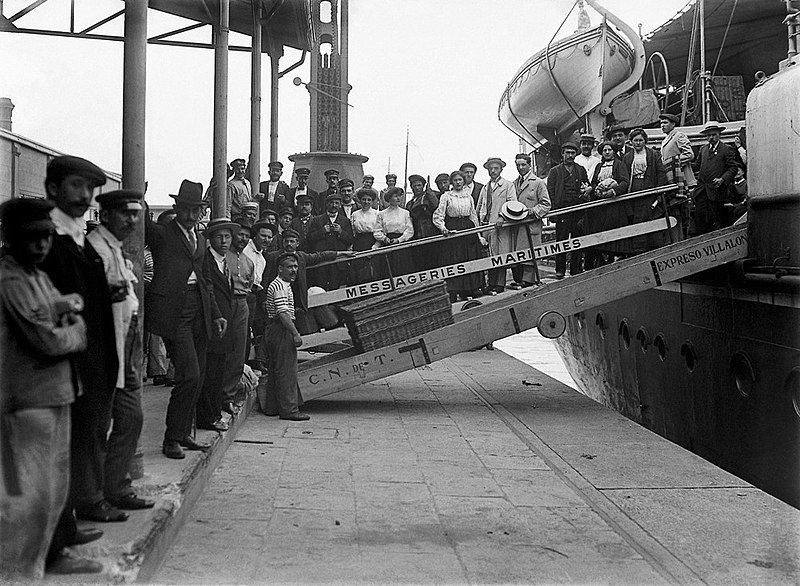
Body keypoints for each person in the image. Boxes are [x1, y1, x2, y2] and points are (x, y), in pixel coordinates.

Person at [39, 156, 124, 571]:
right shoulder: (46, 236)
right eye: (75, 185)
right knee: (56, 452)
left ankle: (66, 529)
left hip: (89, 356)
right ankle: (54, 550)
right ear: (53, 188)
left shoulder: (76, 236)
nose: (84, 195)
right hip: (60, 360)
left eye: (90, 188)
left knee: (77, 442)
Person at [0, 198, 90, 580]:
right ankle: (17, 574)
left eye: (46, 238)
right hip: (27, 400)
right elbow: (47, 342)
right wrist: (77, 329)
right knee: (26, 500)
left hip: (55, 393)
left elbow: (56, 310)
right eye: (32, 238)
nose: (41, 245)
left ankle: (44, 562)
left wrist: (62, 314)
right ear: (10, 238)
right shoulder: (11, 279)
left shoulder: (35, 274)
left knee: (53, 493)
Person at [144, 179, 227, 459]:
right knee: (189, 375)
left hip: (200, 312)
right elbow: (143, 226)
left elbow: (205, 279)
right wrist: (139, 198)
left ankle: (184, 434)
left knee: (199, 376)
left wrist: (215, 313)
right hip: (174, 313)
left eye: (198, 211)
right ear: (177, 208)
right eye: (188, 210)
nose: (193, 216)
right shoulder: (163, 234)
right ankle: (171, 439)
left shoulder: (200, 239)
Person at [86, 190, 154, 512]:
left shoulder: (118, 250)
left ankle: (116, 486)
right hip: (103, 349)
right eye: (125, 213)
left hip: (125, 344)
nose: (131, 220)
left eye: (135, 213)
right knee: (97, 427)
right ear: (106, 215)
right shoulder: (94, 249)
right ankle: (92, 498)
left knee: (131, 418)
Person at [197, 219, 253, 432]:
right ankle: (209, 415)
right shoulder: (207, 260)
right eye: (219, 236)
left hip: (228, 313)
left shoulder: (225, 261)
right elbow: (210, 291)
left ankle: (218, 407)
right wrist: (218, 315)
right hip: (214, 319)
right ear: (210, 238)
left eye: (227, 236)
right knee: (211, 368)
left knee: (225, 361)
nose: (223, 241)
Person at [263, 229, 351, 335]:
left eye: (292, 241)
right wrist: (264, 299)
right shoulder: (273, 257)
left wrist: (341, 253)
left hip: (298, 301)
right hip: (280, 298)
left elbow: (321, 256)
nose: (289, 244)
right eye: (286, 241)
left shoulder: (301, 257)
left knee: (307, 331)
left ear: (297, 243)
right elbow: (265, 279)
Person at [264, 252, 309, 421]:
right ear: (280, 269)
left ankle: (272, 407)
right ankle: (289, 410)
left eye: (296, 267)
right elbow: (282, 313)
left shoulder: (283, 284)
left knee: (277, 370)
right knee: (287, 371)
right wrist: (295, 333)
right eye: (289, 267)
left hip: (276, 329)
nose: (294, 270)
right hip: (281, 329)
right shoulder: (280, 286)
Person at [432, 170, 484, 301]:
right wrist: (443, 229)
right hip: (454, 229)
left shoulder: (468, 196)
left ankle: (470, 289)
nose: (458, 182)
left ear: (463, 181)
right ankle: (455, 290)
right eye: (455, 180)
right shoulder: (447, 196)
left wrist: (478, 235)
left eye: (460, 180)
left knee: (470, 257)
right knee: (455, 259)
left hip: (468, 228)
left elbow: (473, 216)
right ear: (451, 182)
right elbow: (438, 215)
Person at [546, 142, 592, 278]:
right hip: (562, 211)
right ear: (562, 154)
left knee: (577, 240)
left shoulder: (581, 169)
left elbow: (586, 185)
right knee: (561, 241)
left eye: (572, 153)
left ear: (575, 154)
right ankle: (560, 270)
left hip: (577, 210)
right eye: (567, 153)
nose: (570, 156)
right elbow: (550, 192)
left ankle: (575, 269)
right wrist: (554, 210)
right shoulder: (554, 171)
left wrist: (585, 193)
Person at [586, 140, 631, 269]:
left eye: (609, 150)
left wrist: (613, 191)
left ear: (614, 151)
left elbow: (624, 182)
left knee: (613, 230)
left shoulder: (619, 164)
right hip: (601, 206)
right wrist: (595, 190)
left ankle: (614, 258)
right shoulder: (599, 167)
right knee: (600, 229)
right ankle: (601, 259)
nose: (607, 152)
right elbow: (594, 182)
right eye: (604, 150)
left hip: (614, 205)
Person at [476, 157, 517, 293]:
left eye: (496, 168)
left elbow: (512, 203)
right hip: (486, 225)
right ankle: (490, 283)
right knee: (489, 255)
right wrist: (478, 221)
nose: (493, 171)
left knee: (501, 254)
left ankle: (499, 284)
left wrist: (501, 216)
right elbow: (480, 206)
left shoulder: (507, 185)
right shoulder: (485, 187)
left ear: (501, 169)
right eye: (491, 168)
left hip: (500, 225)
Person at [511, 153, 551, 288]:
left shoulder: (538, 182)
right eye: (518, 165)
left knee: (530, 253)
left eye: (523, 164)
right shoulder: (514, 183)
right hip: (516, 225)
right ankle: (519, 280)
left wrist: (533, 211)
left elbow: (546, 204)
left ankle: (529, 280)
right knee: (518, 253)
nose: (521, 167)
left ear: (529, 165)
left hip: (531, 224)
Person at [692, 121, 739, 233]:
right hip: (701, 190)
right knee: (701, 217)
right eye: (708, 135)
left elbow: (733, 168)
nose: (711, 137)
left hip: (717, 191)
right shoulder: (703, 149)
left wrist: (722, 179)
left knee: (716, 219)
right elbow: (697, 166)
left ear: (719, 134)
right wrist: (683, 162)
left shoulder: (726, 149)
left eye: (714, 134)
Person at [305, 192, 354, 290]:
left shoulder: (345, 221)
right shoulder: (317, 220)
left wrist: (341, 232)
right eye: (331, 203)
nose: (334, 205)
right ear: (326, 204)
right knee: (320, 286)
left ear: (340, 205)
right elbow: (309, 239)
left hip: (338, 262)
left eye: (336, 203)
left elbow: (350, 240)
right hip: (321, 260)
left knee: (335, 287)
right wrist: (322, 231)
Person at [374, 187, 415, 278]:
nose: (398, 198)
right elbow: (377, 231)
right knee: (388, 271)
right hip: (388, 243)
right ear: (389, 198)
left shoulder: (405, 213)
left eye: (400, 196)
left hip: (402, 245)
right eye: (395, 196)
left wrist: (399, 240)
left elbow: (410, 230)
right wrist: (385, 239)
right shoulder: (382, 214)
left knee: (403, 269)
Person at [405, 174, 440, 271]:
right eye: (414, 185)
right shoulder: (410, 203)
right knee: (420, 262)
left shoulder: (429, 196)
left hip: (429, 232)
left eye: (419, 185)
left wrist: (429, 192)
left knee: (432, 260)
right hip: (415, 234)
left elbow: (436, 206)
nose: (417, 188)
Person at [624, 128, 667, 193]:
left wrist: (659, 190)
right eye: (635, 140)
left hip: (650, 185)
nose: (638, 143)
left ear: (645, 141)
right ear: (631, 141)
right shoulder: (627, 157)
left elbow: (661, 173)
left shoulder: (654, 154)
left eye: (641, 140)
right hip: (633, 186)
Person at [350, 188, 380, 283]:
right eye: (364, 199)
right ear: (360, 200)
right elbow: (353, 231)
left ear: (372, 201)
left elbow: (380, 231)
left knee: (372, 271)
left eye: (369, 200)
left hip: (372, 242)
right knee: (358, 270)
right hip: (358, 244)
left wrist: (376, 246)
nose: (366, 202)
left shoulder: (377, 214)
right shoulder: (355, 214)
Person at [659, 113, 696, 189]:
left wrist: (672, 161)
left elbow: (689, 154)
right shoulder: (664, 140)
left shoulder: (679, 135)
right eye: (661, 123)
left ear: (673, 124)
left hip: (683, 177)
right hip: (673, 177)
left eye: (665, 122)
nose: (662, 125)